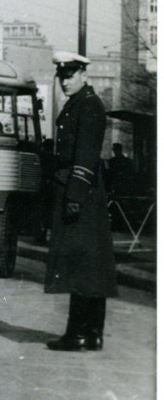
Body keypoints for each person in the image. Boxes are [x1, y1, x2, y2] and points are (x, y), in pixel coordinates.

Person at [44, 52, 116, 352]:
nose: (65, 81)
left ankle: (79, 334)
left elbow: (85, 156)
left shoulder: (87, 106)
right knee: (91, 264)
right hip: (85, 194)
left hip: (80, 193)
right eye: (62, 76)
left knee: (81, 264)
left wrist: (73, 197)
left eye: (70, 76)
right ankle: (92, 333)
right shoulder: (82, 103)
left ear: (84, 75)